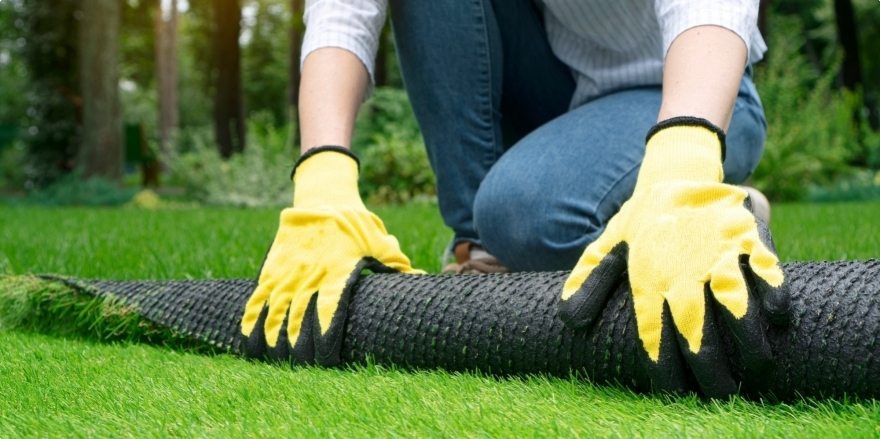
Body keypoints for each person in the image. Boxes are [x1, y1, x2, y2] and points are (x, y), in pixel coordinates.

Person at [240, 0, 791, 398]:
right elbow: (343, 10)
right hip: (569, 87)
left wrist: (685, 150)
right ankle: (481, 249)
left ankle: (694, 193)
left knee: (522, 216)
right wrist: (323, 173)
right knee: (503, 220)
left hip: (691, 84)